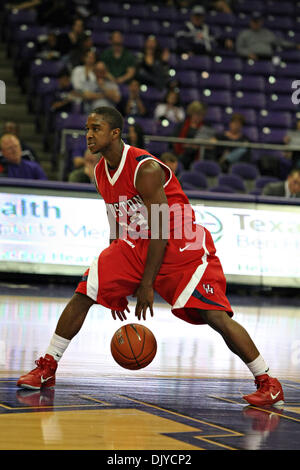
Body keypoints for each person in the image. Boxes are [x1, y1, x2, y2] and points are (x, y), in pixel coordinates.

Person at [17, 106, 284, 408]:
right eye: (87, 129)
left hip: (181, 243)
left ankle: (268, 382)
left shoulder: (145, 168)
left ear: (115, 133)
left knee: (214, 316)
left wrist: (145, 285)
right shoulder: (100, 172)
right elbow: (117, 223)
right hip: (139, 241)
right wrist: (114, 278)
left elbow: (161, 231)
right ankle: (47, 368)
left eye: (96, 129)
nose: (88, 135)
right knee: (87, 290)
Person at [173, 101, 215, 170]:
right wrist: (191, 145)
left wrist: (198, 145)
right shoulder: (182, 125)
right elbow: (176, 141)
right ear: (191, 113)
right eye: (197, 114)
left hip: (200, 153)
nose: (199, 117)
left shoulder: (206, 126)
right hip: (183, 154)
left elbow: (213, 142)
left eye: (201, 115)